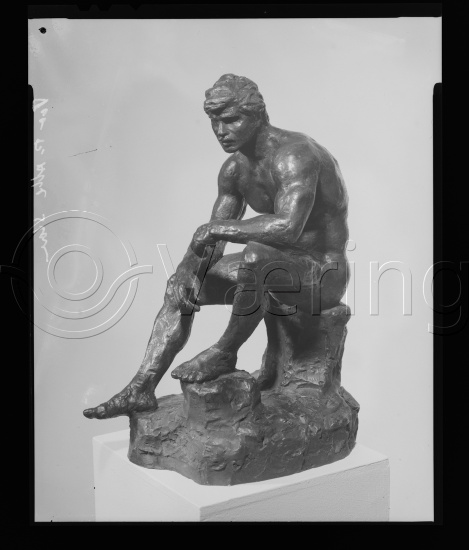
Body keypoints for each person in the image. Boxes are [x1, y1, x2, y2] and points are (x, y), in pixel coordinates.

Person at [83, 74, 350, 420]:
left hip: (322, 274)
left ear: (258, 115)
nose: (221, 131)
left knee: (255, 256)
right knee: (182, 286)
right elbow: (213, 241)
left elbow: (287, 227)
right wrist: (186, 270)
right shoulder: (235, 170)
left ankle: (224, 351)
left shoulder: (295, 156)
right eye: (214, 121)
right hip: (278, 266)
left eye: (232, 119)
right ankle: (141, 386)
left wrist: (214, 229)